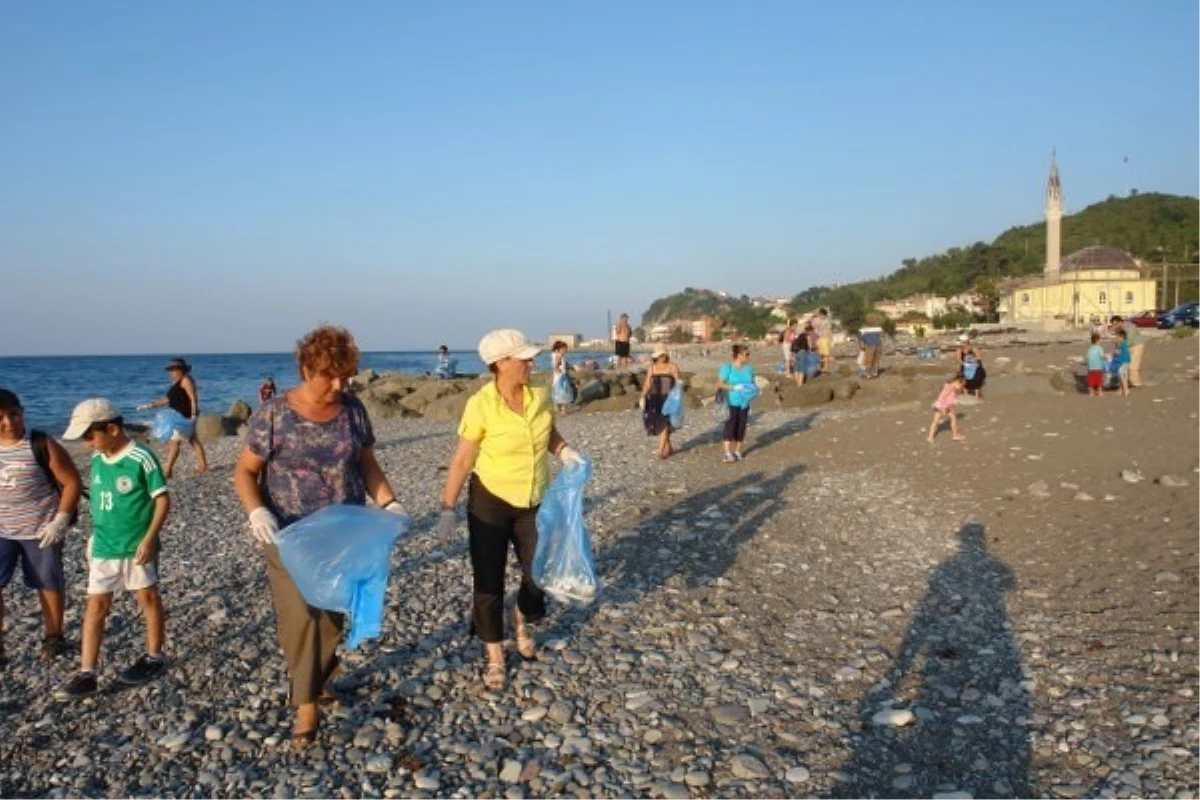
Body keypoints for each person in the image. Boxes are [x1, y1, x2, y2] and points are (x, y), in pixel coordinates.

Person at [233, 324, 406, 746]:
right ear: (305, 368)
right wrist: (256, 510)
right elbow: (245, 471)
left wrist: (389, 503)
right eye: (329, 375)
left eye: (344, 376)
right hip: (286, 533)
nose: (338, 384)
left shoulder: (352, 410)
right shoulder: (274, 413)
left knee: (330, 614)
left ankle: (321, 677)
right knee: (299, 618)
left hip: (342, 533)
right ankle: (306, 704)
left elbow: (367, 464)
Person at [436, 329, 583, 691]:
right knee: (488, 581)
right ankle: (495, 657)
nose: (531, 363)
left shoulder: (540, 395)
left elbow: (548, 431)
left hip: (534, 499)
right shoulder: (481, 404)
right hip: (490, 501)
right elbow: (463, 458)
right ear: (501, 364)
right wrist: (447, 507)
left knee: (538, 573)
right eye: (524, 358)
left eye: (531, 357)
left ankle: (519, 618)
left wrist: (564, 450)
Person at [55, 399, 170, 699]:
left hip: (136, 547)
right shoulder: (97, 460)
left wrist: (148, 539)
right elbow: (99, 501)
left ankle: (154, 656)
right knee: (96, 606)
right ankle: (87, 672)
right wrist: (93, 538)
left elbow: (162, 500)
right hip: (104, 547)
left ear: (113, 428)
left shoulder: (141, 457)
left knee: (147, 597)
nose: (87, 444)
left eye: (90, 437)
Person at [0, 389, 82, 666]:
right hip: (2, 530)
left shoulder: (40, 442)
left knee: (48, 583)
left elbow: (72, 482)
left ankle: (54, 636)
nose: (9, 423)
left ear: (22, 412)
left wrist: (60, 520)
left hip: (40, 530)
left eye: (14, 414)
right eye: (0, 417)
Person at [137, 357, 208, 478]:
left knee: (175, 443)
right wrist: (150, 405)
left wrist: (194, 415)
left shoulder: (186, 380)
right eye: (170, 370)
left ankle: (168, 470)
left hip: (184, 417)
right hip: (177, 416)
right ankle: (203, 465)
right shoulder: (176, 382)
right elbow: (167, 399)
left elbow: (193, 398)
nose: (172, 373)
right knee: (193, 440)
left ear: (182, 370)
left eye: (175, 370)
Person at [715, 344, 756, 463]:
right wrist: (733, 387)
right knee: (730, 425)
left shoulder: (749, 368)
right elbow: (719, 384)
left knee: (741, 426)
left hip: (744, 402)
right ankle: (727, 453)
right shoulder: (727, 367)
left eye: (749, 354)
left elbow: (752, 383)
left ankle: (738, 451)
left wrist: (754, 390)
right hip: (730, 402)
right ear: (738, 355)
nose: (748, 356)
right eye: (746, 354)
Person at [642, 344, 682, 459]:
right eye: (659, 356)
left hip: (669, 399)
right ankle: (669, 448)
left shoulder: (672, 367)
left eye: (663, 355)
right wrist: (643, 396)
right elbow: (647, 384)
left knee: (664, 423)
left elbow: (678, 383)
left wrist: (677, 397)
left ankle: (660, 451)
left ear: (666, 355)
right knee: (659, 423)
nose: (661, 357)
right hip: (654, 398)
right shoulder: (652, 368)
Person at [928, 374, 967, 443]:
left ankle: (930, 437)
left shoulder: (948, 384)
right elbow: (942, 396)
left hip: (941, 405)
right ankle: (955, 435)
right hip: (943, 406)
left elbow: (944, 394)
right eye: (961, 385)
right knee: (951, 419)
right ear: (957, 382)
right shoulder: (951, 386)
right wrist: (943, 408)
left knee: (938, 421)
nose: (960, 387)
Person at [1110, 315, 1145, 387]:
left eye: (1115, 324)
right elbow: (1118, 341)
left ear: (1120, 322)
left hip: (1136, 345)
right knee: (1124, 364)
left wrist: (1120, 349)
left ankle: (1136, 383)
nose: (1114, 326)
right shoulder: (1118, 329)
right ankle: (1127, 381)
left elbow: (1129, 340)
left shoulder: (1129, 327)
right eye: (1113, 324)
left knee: (1133, 366)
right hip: (1128, 346)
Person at [550, 340, 574, 414]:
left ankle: (558, 409)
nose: (566, 350)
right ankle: (563, 410)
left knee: (558, 392)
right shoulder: (559, 356)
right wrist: (559, 371)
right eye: (564, 349)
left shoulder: (555, 355)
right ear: (559, 349)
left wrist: (569, 366)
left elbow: (561, 364)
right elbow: (556, 365)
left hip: (556, 377)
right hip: (560, 376)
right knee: (564, 391)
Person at [1112, 327, 1131, 397]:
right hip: (1125, 361)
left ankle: (1126, 389)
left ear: (1121, 336)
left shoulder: (1122, 343)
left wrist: (1113, 352)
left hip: (1122, 361)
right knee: (1124, 375)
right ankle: (1122, 390)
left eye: (1117, 336)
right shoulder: (1124, 343)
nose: (1116, 337)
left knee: (1121, 375)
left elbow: (1118, 352)